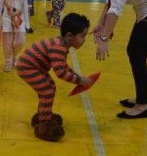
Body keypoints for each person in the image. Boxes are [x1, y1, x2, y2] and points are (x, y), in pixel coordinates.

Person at [16, 13, 93, 141]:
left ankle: (43, 116)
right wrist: (79, 80)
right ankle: (44, 127)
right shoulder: (58, 47)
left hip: (33, 67)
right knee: (47, 91)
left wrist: (76, 76)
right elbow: (60, 72)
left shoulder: (62, 44)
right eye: (82, 36)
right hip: (27, 68)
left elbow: (63, 66)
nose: (84, 40)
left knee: (50, 87)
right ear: (69, 36)